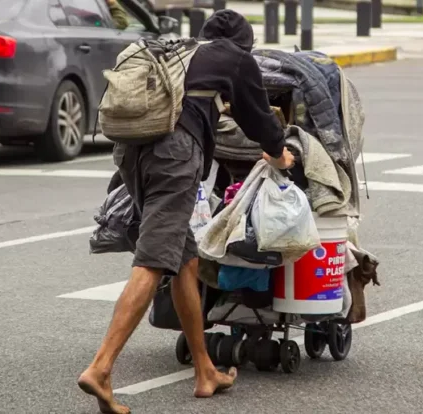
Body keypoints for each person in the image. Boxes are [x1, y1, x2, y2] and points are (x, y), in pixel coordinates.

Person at [77, 10, 295, 414]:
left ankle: (205, 371)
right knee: (156, 258)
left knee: (185, 259)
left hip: (130, 150)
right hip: (174, 153)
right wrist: (279, 152)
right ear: (245, 44)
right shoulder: (237, 58)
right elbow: (256, 117)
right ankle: (101, 369)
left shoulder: (180, 50)